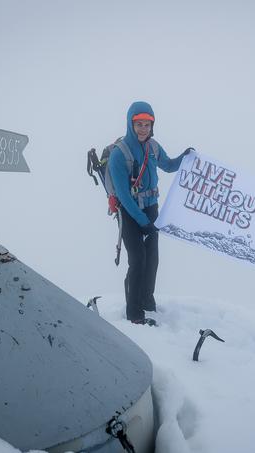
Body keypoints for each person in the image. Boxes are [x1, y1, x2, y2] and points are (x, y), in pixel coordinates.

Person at [108, 101, 191, 325]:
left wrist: (185, 157)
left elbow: (169, 165)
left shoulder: (153, 147)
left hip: (151, 210)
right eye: (139, 124)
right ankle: (134, 314)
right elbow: (124, 196)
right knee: (137, 260)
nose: (143, 129)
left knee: (152, 259)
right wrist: (142, 221)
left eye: (147, 124)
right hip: (129, 213)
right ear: (130, 124)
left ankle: (147, 300)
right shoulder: (119, 154)